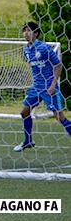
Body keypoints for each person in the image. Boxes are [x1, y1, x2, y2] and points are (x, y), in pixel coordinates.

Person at [14, 22, 71, 151]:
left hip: (49, 88)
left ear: (36, 33)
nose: (25, 33)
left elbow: (58, 65)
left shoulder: (44, 48)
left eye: (29, 31)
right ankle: (28, 141)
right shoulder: (26, 49)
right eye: (24, 31)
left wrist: (52, 85)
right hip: (36, 88)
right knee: (24, 112)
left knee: (59, 117)